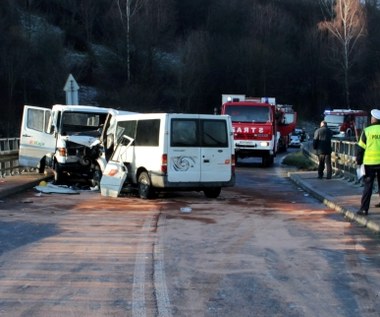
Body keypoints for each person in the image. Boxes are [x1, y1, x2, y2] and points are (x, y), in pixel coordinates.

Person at [356, 109, 380, 216]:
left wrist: (359, 161)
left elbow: (360, 148)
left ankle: (364, 209)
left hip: (369, 163)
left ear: (373, 119)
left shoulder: (367, 130)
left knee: (368, 186)